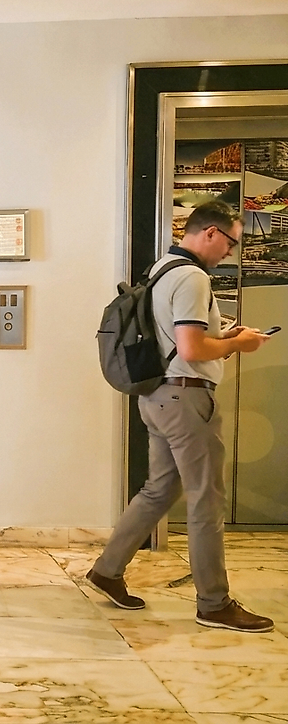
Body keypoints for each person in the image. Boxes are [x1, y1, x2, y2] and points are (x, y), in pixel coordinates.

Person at [87, 201, 273, 633]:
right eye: (230, 242)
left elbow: (180, 340)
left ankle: (108, 570)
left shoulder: (162, 269)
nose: (230, 251)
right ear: (210, 233)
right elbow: (191, 349)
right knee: (206, 499)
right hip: (186, 398)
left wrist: (222, 338)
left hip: (157, 396)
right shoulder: (193, 277)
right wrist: (237, 344)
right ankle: (214, 604)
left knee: (159, 490)